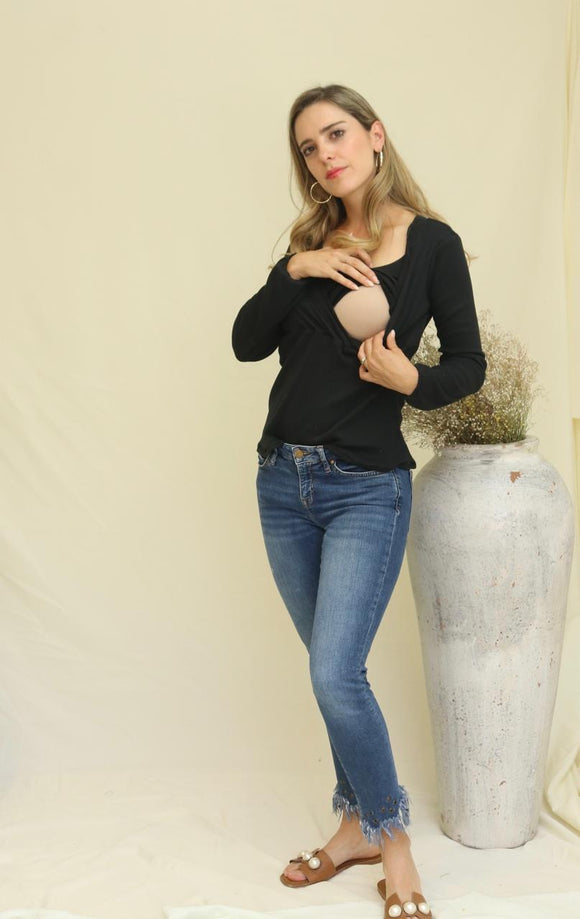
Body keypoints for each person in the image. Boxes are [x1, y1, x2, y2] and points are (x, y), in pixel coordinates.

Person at [231, 84, 486, 919]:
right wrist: (294, 269)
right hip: (282, 482)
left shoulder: (434, 244)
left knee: (335, 674)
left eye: (336, 134)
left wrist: (412, 379)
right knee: (332, 673)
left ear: (375, 136)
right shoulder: (308, 245)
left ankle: (392, 838)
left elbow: (469, 365)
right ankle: (355, 827)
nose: (325, 154)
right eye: (309, 146)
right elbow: (245, 342)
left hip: (367, 489)